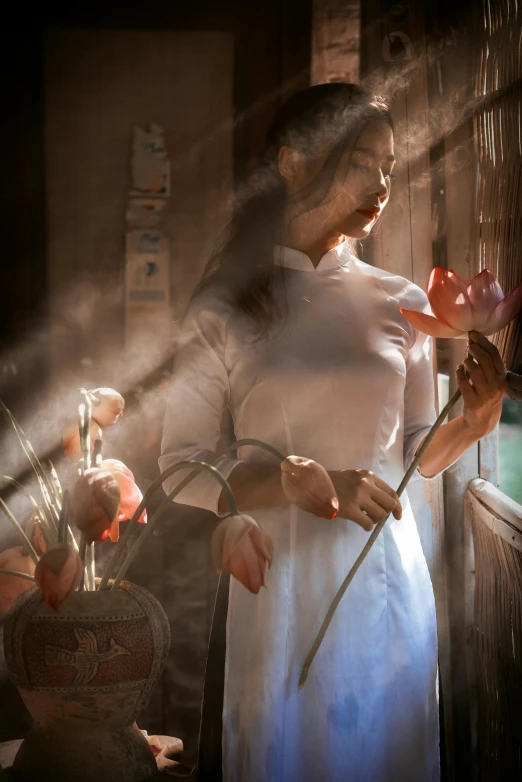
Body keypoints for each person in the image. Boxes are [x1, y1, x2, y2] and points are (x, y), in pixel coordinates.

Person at [159, 83, 507, 782]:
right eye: (360, 161)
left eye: (388, 164)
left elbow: (413, 454)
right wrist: (293, 481)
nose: (382, 182)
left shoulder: (402, 302)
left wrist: (475, 423)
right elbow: (180, 468)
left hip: (384, 582)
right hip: (276, 586)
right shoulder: (224, 307)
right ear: (292, 162)